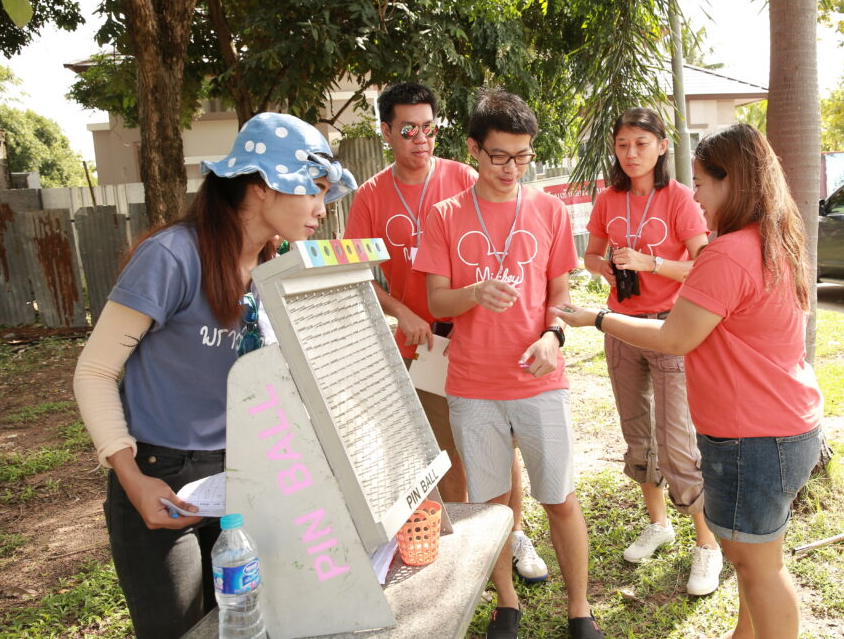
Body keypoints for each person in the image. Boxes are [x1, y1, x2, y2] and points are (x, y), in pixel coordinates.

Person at [72, 113, 356, 638]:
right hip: (164, 480)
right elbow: (93, 372)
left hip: (249, 475)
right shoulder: (173, 256)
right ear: (260, 186)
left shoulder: (274, 265)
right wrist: (133, 479)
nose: (322, 208)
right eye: (313, 191)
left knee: (254, 624)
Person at [555, 123, 823, 639]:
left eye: (701, 184)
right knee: (753, 562)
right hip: (785, 426)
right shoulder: (776, 240)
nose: (696, 197)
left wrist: (598, 319)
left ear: (733, 183)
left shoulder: (728, 254)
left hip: (753, 436)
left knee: (761, 569)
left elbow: (675, 337)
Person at [413, 88, 603, 639]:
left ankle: (579, 610)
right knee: (491, 503)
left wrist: (554, 335)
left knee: (559, 498)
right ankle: (507, 602)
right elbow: (436, 302)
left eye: (523, 157)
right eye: (500, 156)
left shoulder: (547, 209)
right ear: (474, 148)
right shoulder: (445, 213)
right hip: (473, 385)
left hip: (541, 380)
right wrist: (474, 293)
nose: (512, 168)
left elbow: (561, 296)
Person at [342, 81, 548, 583]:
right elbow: (358, 275)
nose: (420, 138)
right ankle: (466, 544)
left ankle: (513, 532)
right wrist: (400, 311)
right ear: (386, 131)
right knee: (442, 450)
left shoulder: (461, 177)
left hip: (478, 338)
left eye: (429, 128)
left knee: (500, 444)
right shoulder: (370, 197)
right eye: (408, 129)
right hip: (418, 346)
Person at [583, 107, 721, 592]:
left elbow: (704, 266)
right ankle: (659, 524)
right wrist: (608, 267)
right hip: (621, 325)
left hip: (670, 327)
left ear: (662, 146)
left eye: (641, 143)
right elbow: (590, 253)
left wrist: (650, 262)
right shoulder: (608, 198)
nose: (631, 153)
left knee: (678, 440)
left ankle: (707, 544)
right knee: (637, 434)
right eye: (622, 144)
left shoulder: (680, 198)